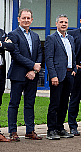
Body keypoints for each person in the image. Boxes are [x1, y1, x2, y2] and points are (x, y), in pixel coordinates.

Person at [7, 8, 43, 141]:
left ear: (32, 20)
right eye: (24, 18)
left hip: (32, 76)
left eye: (29, 18)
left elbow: (39, 53)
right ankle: (13, 131)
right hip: (18, 75)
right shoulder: (13, 34)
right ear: (18, 19)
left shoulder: (35, 36)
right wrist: (32, 65)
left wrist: (34, 70)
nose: (26, 20)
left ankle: (30, 130)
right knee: (14, 104)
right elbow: (16, 55)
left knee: (30, 103)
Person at [45, 14, 76, 140]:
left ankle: (60, 128)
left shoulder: (70, 38)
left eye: (66, 22)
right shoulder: (51, 38)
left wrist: (74, 69)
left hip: (69, 75)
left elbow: (72, 55)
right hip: (57, 75)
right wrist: (53, 75)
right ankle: (51, 130)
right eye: (61, 22)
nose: (64, 24)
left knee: (64, 103)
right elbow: (49, 58)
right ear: (56, 24)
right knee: (55, 104)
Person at [0, 28, 14, 142]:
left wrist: (1, 43)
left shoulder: (1, 33)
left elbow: (11, 46)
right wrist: (3, 44)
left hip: (0, 72)